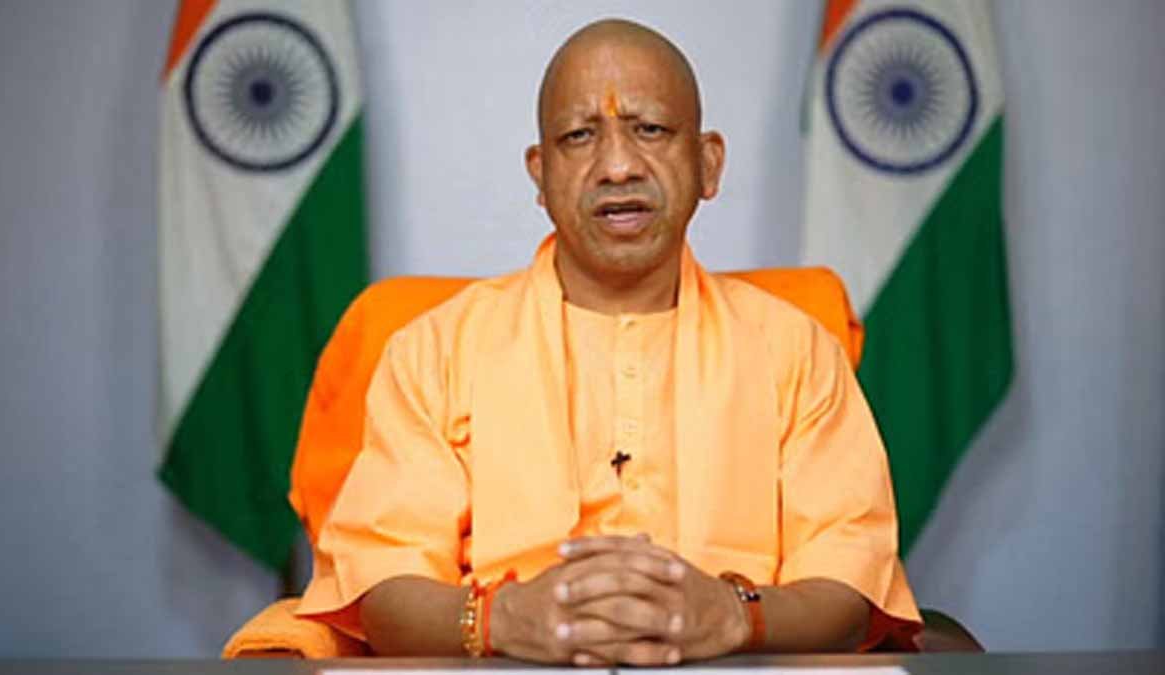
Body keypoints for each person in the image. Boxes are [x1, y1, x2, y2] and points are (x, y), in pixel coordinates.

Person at [295, 18, 922, 665]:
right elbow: (383, 591)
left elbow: (848, 588)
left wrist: (734, 617)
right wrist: (505, 620)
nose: (618, 166)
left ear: (708, 164)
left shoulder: (795, 349)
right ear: (541, 175)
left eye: (650, 130)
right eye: (579, 136)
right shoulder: (434, 352)